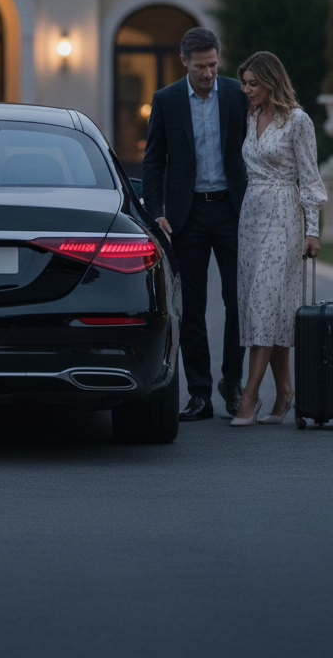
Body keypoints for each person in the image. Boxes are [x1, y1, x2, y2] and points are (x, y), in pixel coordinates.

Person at [142, 27, 249, 420]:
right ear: (184, 61)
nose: (208, 74)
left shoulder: (237, 94)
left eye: (213, 65)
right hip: (187, 217)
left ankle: (232, 384)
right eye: (200, 66)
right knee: (191, 306)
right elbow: (154, 162)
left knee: (238, 301)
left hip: (232, 210)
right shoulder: (166, 100)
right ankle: (200, 393)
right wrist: (156, 212)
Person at [231, 51, 327, 426]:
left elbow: (310, 178)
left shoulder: (298, 121)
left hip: (284, 213)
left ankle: (249, 397)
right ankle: (285, 390)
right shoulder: (251, 115)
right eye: (245, 84)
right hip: (251, 217)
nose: (247, 90)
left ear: (272, 81)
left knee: (265, 302)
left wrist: (312, 229)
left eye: (254, 83)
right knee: (267, 308)